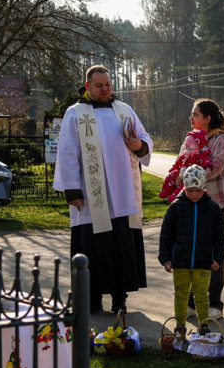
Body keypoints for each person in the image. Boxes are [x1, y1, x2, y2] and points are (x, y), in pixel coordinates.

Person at [53, 65, 153, 314]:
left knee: (121, 245)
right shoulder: (76, 113)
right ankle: (92, 298)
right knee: (92, 247)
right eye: (99, 86)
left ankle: (120, 298)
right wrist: (72, 190)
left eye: (108, 84)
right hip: (91, 195)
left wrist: (138, 144)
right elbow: (67, 151)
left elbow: (144, 138)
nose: (105, 89)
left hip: (123, 193)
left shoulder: (124, 110)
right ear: (88, 87)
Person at [158, 165, 224, 338]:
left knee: (202, 296)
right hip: (180, 262)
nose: (194, 194)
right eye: (190, 191)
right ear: (184, 188)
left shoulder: (213, 208)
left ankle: (203, 325)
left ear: (204, 187)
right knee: (181, 295)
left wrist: (218, 258)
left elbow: (220, 236)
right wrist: (165, 257)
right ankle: (180, 326)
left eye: (197, 190)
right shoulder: (176, 208)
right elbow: (166, 234)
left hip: (203, 263)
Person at [181, 99, 224, 319]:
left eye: (195, 115)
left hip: (213, 205)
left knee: (214, 255)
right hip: (191, 203)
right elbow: (180, 163)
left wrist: (189, 174)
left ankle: (215, 304)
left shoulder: (221, 140)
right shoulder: (191, 139)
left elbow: (214, 168)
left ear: (207, 118)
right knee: (192, 253)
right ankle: (192, 303)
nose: (191, 119)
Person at [158, 128, 213, 201]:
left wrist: (208, 168)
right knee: (170, 176)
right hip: (181, 170)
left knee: (184, 186)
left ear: (196, 145)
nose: (186, 146)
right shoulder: (186, 153)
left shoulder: (202, 154)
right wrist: (175, 169)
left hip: (191, 174)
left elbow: (207, 161)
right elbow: (179, 162)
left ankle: (174, 197)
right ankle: (165, 191)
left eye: (188, 145)